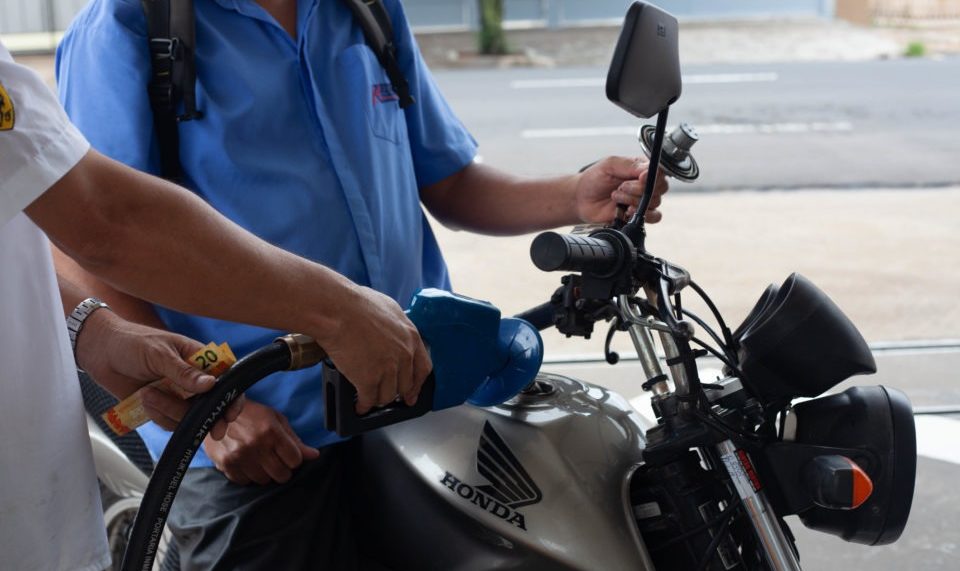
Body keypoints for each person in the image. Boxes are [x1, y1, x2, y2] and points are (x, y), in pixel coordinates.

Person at [56, 0, 668, 568]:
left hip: (421, 399)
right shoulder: (133, 25)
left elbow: (448, 181)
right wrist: (217, 414)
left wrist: (573, 195)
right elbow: (92, 245)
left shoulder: (367, 9)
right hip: (266, 439)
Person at [0, 38, 432, 571]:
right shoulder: (131, 26)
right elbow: (100, 222)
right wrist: (339, 311)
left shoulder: (361, 13)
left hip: (392, 421)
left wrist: (94, 331)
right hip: (252, 452)